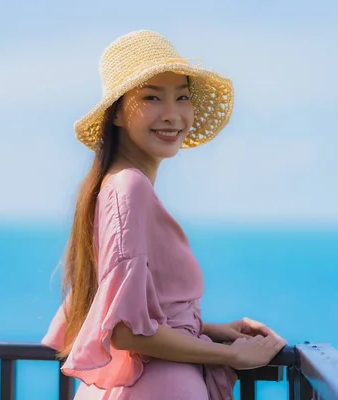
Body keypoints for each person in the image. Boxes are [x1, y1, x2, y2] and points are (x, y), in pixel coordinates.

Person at [41, 30, 288, 399]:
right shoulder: (130, 189)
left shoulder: (110, 188)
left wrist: (208, 329)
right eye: (152, 97)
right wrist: (231, 354)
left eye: (182, 97)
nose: (172, 115)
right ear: (118, 114)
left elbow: (136, 315)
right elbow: (124, 330)